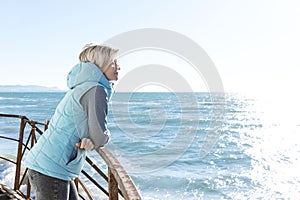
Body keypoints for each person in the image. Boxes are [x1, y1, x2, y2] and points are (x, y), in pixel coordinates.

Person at [24, 43, 120, 200]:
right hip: (52, 168)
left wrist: (89, 137)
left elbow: (79, 123)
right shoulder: (96, 90)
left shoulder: (82, 86)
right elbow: (99, 137)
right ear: (100, 64)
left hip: (48, 164)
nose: (118, 67)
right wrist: (100, 137)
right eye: (113, 63)